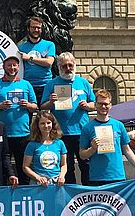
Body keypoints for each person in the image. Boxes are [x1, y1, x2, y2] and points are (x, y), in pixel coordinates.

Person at [41, 52, 95, 184]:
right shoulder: (51, 84)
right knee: (67, 167)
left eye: (70, 65)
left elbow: (94, 104)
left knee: (86, 165)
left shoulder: (84, 83)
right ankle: (71, 195)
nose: (68, 68)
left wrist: (88, 106)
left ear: (75, 65)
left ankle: (88, 192)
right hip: (61, 134)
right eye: (64, 66)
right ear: (59, 67)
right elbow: (42, 106)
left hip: (82, 132)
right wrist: (51, 102)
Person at [79, 89, 135, 185]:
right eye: (100, 104)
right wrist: (93, 148)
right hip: (96, 178)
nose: (103, 106)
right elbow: (82, 155)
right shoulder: (87, 128)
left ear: (110, 105)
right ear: (95, 105)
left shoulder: (118, 125)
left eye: (106, 104)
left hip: (117, 176)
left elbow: (127, 150)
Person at [0, 55, 38, 185]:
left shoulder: (26, 84)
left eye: (14, 65)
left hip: (23, 134)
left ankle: (25, 193)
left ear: (18, 67)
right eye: (9, 65)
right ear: (3, 67)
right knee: (3, 165)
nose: (12, 68)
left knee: (24, 166)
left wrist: (27, 105)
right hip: (2, 133)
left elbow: (35, 107)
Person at [17, 16, 56, 102]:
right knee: (27, 111)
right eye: (33, 27)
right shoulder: (21, 47)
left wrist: (29, 58)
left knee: (45, 114)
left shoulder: (49, 45)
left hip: (46, 85)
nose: (36, 30)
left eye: (38, 27)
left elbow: (49, 62)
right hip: (28, 85)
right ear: (28, 28)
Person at [23, 111, 66, 186]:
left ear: (53, 124)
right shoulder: (32, 145)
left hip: (57, 182)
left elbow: (63, 164)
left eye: (48, 123)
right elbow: (25, 167)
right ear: (37, 126)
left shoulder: (60, 143)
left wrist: (62, 176)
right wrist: (38, 178)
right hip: (38, 183)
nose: (46, 126)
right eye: (42, 123)